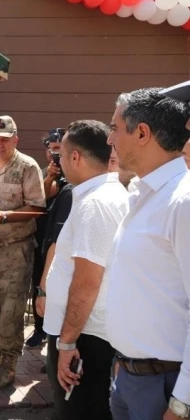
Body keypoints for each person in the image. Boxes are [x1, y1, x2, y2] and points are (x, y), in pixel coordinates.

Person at [105, 87, 190, 420]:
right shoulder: (142, 194)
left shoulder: (182, 202)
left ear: (142, 133)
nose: (110, 139)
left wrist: (183, 401)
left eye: (114, 128)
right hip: (129, 376)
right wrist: (122, 365)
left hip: (166, 386)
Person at [42, 120, 129, 419]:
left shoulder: (96, 203)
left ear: (75, 157)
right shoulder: (106, 195)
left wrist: (66, 341)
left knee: (78, 411)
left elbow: (88, 281)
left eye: (62, 155)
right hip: (88, 334)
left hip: (85, 339)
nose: (60, 162)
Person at [0, 115, 46, 390]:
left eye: (4, 139)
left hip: (16, 249)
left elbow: (38, 208)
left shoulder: (27, 166)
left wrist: (5, 216)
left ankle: (9, 364)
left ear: (15, 139)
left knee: (11, 311)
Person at [27, 128, 67, 350]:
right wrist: (51, 176)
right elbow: (39, 200)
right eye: (52, 150)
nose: (55, 155)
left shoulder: (75, 173)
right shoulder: (43, 172)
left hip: (64, 240)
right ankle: (40, 328)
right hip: (43, 238)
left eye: (59, 150)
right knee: (38, 283)